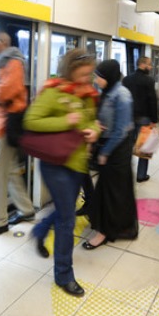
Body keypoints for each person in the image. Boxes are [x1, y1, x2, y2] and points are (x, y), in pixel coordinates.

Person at [27, 49, 100, 297]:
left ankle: (40, 232)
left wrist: (93, 130)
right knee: (67, 219)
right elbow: (31, 120)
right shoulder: (54, 91)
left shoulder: (88, 94)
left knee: (64, 212)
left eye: (91, 72)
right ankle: (64, 276)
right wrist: (66, 121)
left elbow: (90, 120)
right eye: (84, 71)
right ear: (71, 69)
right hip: (55, 164)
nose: (88, 76)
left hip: (77, 164)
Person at [0, 31, 36, 237]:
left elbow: (7, 91)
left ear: (0, 42)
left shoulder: (12, 62)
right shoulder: (5, 62)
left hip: (5, 124)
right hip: (4, 122)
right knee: (11, 170)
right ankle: (27, 209)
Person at [83, 59, 138, 249]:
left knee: (110, 192)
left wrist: (105, 152)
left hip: (117, 149)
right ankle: (110, 226)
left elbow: (121, 130)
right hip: (109, 144)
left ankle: (104, 232)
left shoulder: (122, 95)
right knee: (111, 192)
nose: (96, 80)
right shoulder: (106, 91)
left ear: (109, 77)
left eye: (99, 77)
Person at [122, 55, 158, 183]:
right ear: (142, 64)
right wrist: (154, 119)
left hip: (129, 118)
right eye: (149, 64)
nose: (151, 67)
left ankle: (125, 174)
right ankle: (141, 175)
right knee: (145, 147)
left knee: (127, 147)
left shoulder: (126, 80)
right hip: (144, 118)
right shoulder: (149, 80)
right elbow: (152, 101)